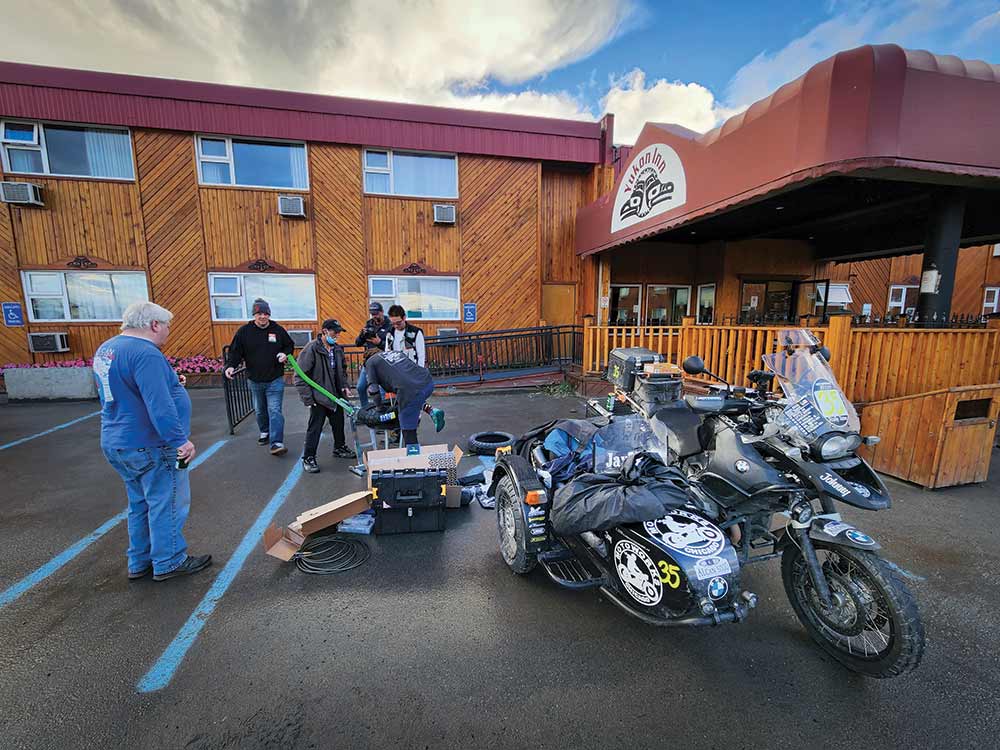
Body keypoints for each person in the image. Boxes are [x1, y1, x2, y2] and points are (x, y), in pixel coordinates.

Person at [92, 302, 212, 582]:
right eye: (167, 326)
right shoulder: (146, 354)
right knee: (167, 502)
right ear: (154, 325)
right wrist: (179, 441)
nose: (168, 332)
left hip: (118, 440)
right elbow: (159, 405)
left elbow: (126, 388)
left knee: (140, 504)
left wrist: (171, 381)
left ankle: (139, 560)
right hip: (151, 444)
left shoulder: (108, 349)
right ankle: (168, 560)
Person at [224, 298, 294, 456]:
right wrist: (230, 366)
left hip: (275, 379)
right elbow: (235, 352)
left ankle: (276, 443)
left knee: (275, 410)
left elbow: (289, 344)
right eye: (259, 314)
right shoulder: (244, 332)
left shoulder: (277, 330)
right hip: (254, 379)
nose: (262, 317)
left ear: (269, 314)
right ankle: (265, 431)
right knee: (260, 410)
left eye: (265, 314)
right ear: (254, 315)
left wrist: (285, 353)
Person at [295, 319, 356, 473]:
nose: (337, 335)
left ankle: (339, 447)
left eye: (339, 332)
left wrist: (345, 386)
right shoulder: (312, 349)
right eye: (335, 332)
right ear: (324, 331)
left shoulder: (336, 349)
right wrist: (308, 399)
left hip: (335, 395)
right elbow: (300, 376)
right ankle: (309, 457)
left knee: (338, 424)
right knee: (315, 428)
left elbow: (341, 370)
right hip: (318, 397)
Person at [362, 349, 445, 446]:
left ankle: (413, 456)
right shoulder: (395, 352)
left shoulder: (370, 362)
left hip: (408, 389)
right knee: (414, 400)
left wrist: (379, 408)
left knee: (407, 428)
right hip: (427, 381)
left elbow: (373, 390)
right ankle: (432, 411)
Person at [355, 301, 392, 407]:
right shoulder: (369, 324)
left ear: (382, 312)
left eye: (376, 314)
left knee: (381, 390)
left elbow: (393, 346)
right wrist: (362, 336)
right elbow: (357, 343)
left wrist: (379, 342)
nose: (374, 316)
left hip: (383, 362)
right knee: (361, 387)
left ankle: (383, 413)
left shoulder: (390, 325)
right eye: (372, 314)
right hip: (369, 362)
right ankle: (365, 410)